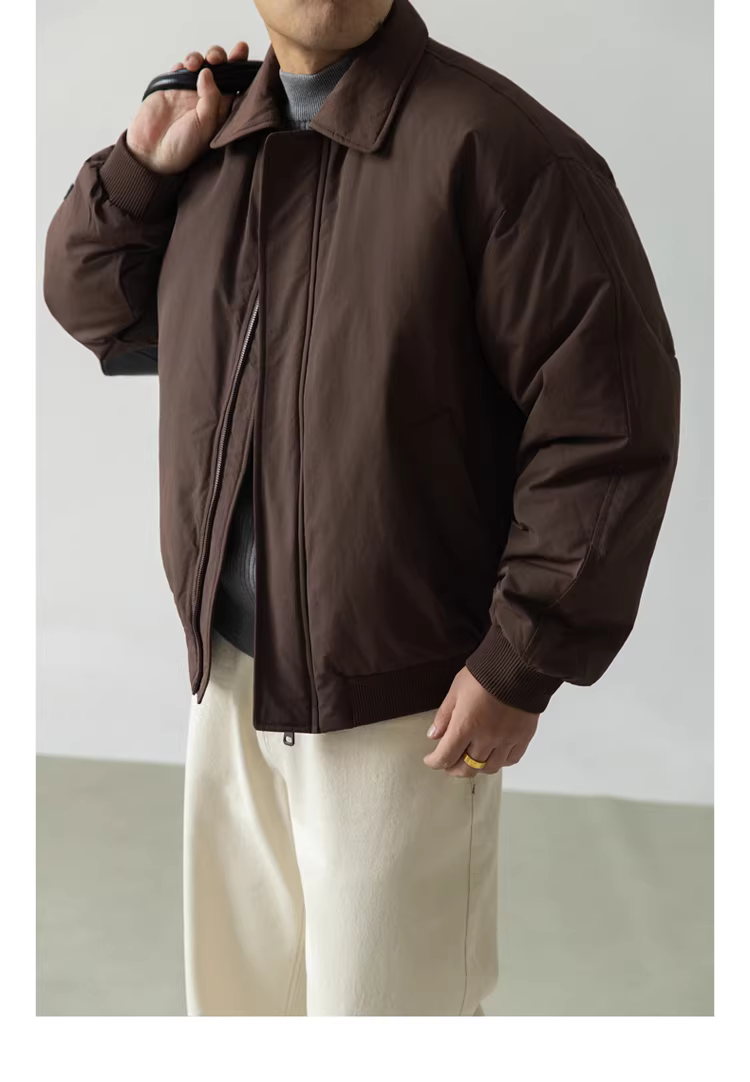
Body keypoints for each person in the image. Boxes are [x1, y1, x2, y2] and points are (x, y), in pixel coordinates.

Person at [43, 0, 681, 1016]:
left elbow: (608, 420)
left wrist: (524, 653)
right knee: (238, 1012)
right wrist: (141, 164)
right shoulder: (215, 142)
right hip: (230, 679)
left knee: (390, 1022)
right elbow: (100, 308)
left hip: (407, 707)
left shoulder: (499, 150)